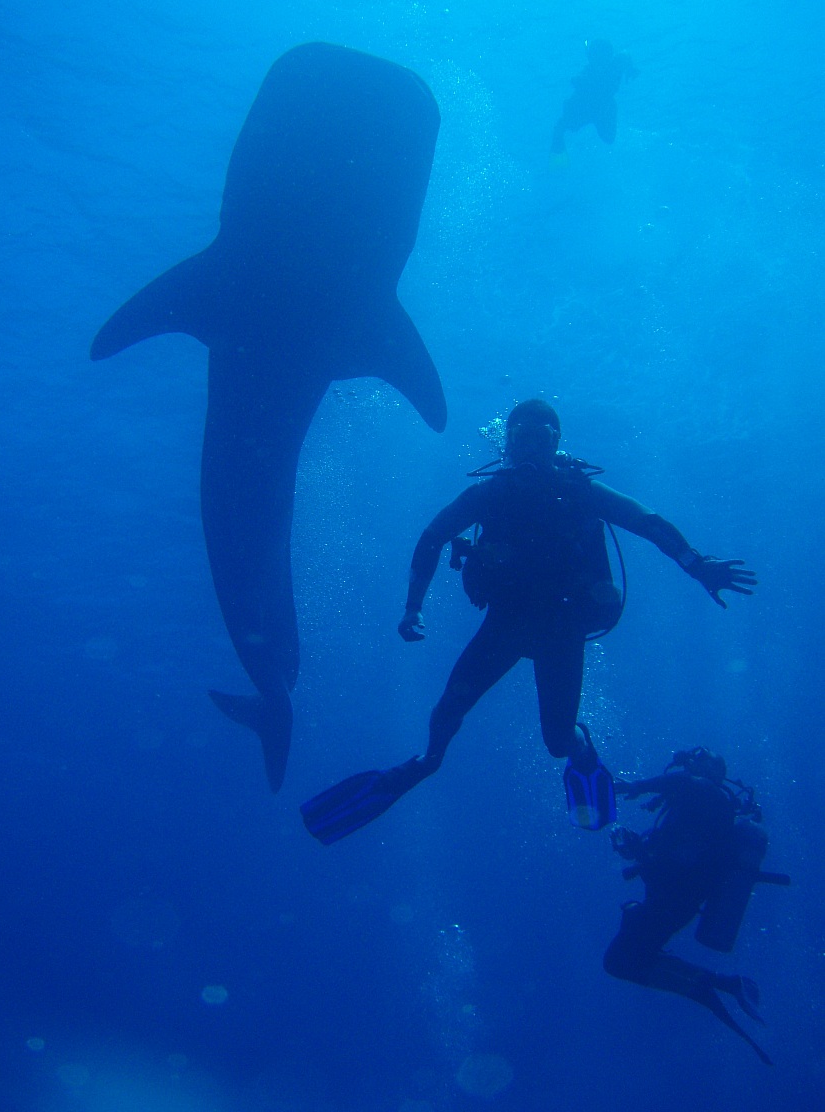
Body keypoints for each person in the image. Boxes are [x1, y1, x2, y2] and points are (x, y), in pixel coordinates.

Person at [301, 400, 755, 845]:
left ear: (557, 444)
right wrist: (412, 607)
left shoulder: (581, 492)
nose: (534, 449)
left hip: (562, 627)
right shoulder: (490, 494)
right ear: (509, 444)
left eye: (544, 438)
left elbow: (647, 522)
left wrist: (697, 564)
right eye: (524, 438)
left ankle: (582, 750)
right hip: (507, 624)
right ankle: (426, 762)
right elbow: (432, 537)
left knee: (558, 742)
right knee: (446, 711)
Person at [606, 748, 789, 1066]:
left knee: (621, 961)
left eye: (700, 759)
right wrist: (639, 851)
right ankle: (721, 985)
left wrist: (636, 786)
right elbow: (676, 864)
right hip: (675, 903)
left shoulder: (707, 794)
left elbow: (680, 786)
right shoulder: (703, 811)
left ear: (711, 770)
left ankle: (720, 985)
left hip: (674, 903)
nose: (691, 762)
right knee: (631, 955)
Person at [550, 39, 638, 163]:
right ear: (591, 58)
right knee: (561, 127)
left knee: (609, 139)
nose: (600, 64)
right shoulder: (586, 75)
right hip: (585, 109)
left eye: (603, 59)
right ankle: (558, 153)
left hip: (605, 108)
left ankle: (559, 147)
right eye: (596, 59)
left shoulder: (616, 64)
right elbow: (576, 82)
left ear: (609, 57)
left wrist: (630, 68)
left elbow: (626, 54)